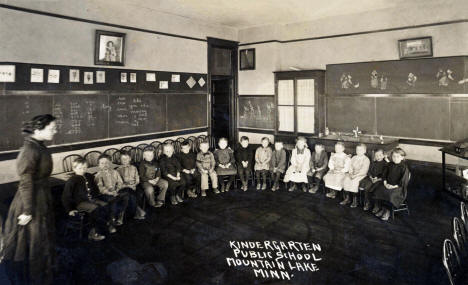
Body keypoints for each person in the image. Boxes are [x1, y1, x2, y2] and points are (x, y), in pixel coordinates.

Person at [2, 114, 57, 284]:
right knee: (35, 245)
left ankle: (41, 276)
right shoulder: (30, 150)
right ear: (37, 129)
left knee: (41, 243)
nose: (56, 131)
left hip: (41, 198)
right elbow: (26, 183)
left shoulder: (38, 146)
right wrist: (27, 211)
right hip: (32, 202)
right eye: (52, 128)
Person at [62, 158, 116, 241]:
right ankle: (92, 233)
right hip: (79, 203)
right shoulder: (72, 180)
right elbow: (66, 196)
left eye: (84, 168)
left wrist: (98, 195)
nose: (82, 170)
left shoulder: (89, 176)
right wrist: (70, 209)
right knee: (95, 208)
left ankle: (107, 225)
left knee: (106, 205)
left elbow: (95, 189)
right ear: (74, 168)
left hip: (91, 199)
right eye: (80, 168)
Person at [372, 148, 410, 221]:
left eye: (397, 156)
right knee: (379, 190)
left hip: (398, 187)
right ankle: (383, 208)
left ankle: (388, 211)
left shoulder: (404, 168)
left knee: (390, 194)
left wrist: (393, 186)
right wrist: (385, 183)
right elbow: (384, 175)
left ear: (402, 157)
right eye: (393, 156)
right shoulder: (389, 164)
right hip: (388, 184)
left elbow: (403, 181)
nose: (395, 158)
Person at [94, 154, 129, 226]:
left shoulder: (115, 172)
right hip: (104, 194)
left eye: (107, 162)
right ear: (99, 165)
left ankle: (120, 215)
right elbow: (100, 188)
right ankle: (112, 220)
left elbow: (120, 182)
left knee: (126, 196)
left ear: (110, 163)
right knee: (113, 200)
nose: (105, 165)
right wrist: (111, 193)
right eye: (102, 163)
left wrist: (117, 189)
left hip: (115, 191)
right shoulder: (98, 175)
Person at [116, 152, 146, 220]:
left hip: (134, 186)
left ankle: (134, 213)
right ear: (120, 160)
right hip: (124, 187)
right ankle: (137, 211)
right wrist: (129, 186)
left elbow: (137, 179)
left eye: (126, 159)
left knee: (136, 193)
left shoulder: (134, 168)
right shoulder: (118, 169)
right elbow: (119, 182)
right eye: (123, 159)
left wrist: (134, 184)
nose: (124, 161)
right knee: (129, 193)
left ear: (130, 159)